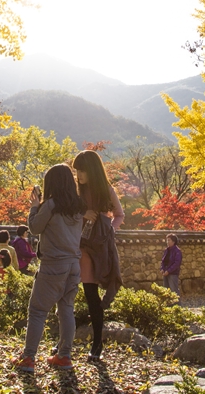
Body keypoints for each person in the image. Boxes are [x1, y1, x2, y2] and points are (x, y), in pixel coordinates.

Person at [11, 164, 86, 373]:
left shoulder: (51, 205)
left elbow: (34, 228)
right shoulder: (79, 205)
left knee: (37, 311)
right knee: (66, 309)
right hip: (74, 264)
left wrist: (35, 206)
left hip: (53, 264)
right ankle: (64, 356)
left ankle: (28, 358)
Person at [73, 149, 125, 362]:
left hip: (96, 249)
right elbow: (65, 214)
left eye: (83, 170)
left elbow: (119, 215)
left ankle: (97, 343)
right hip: (75, 247)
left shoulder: (106, 191)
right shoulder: (75, 192)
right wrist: (82, 213)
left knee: (91, 296)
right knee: (67, 293)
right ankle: (64, 340)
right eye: (77, 170)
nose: (79, 175)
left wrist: (108, 230)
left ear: (92, 170)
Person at [160, 234, 182, 302]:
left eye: (169, 240)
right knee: (166, 290)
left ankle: (177, 305)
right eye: (167, 240)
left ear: (173, 241)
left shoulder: (177, 251)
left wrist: (169, 271)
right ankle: (168, 305)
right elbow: (163, 261)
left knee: (174, 290)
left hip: (173, 273)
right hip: (165, 273)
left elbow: (176, 263)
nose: (167, 242)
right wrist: (162, 269)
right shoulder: (166, 250)